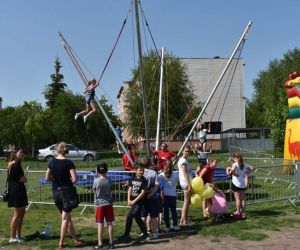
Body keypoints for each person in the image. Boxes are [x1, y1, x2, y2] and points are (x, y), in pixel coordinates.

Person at [45, 142, 82, 249]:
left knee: (67, 217)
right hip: (67, 192)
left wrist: (55, 180)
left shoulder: (51, 162)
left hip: (56, 192)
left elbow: (47, 178)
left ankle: (75, 238)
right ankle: (61, 243)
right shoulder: (69, 162)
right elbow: (75, 179)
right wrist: (69, 181)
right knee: (65, 218)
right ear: (65, 150)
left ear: (57, 150)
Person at [118, 164, 148, 241]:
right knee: (137, 217)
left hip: (139, 202)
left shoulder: (144, 180)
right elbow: (130, 189)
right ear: (135, 171)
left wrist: (134, 201)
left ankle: (126, 234)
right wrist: (128, 200)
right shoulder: (132, 179)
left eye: (143, 170)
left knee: (129, 216)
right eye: (140, 170)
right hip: (132, 201)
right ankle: (145, 233)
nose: (142, 172)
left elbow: (143, 193)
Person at [7, 147, 28, 243]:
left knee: (22, 213)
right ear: (15, 153)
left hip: (17, 191)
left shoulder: (14, 164)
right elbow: (23, 179)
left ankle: (18, 234)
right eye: (20, 152)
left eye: (22, 152)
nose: (22, 154)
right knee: (17, 214)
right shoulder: (15, 165)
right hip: (17, 191)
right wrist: (24, 179)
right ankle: (12, 237)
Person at [93, 161, 115, 249]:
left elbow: (94, 190)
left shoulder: (96, 180)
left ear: (97, 170)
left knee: (100, 225)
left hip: (99, 204)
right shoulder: (109, 180)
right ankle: (111, 243)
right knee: (110, 223)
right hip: (108, 203)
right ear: (107, 170)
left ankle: (100, 243)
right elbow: (112, 190)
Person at [226, 153, 252, 220]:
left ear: (235, 158)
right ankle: (243, 212)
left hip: (236, 183)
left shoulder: (235, 164)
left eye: (234, 157)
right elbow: (252, 167)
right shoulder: (245, 164)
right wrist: (247, 172)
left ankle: (238, 212)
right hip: (243, 183)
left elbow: (232, 169)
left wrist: (230, 171)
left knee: (237, 199)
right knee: (243, 199)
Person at [140, 158, 160, 239]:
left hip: (142, 197)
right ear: (149, 164)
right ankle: (155, 233)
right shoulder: (154, 173)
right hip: (152, 197)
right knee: (154, 216)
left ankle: (143, 232)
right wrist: (151, 193)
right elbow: (157, 185)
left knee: (143, 216)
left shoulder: (140, 172)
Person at [158, 160, 180, 232]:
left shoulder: (160, 175)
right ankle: (175, 225)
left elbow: (159, 185)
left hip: (164, 195)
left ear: (164, 166)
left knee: (166, 211)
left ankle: (167, 226)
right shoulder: (176, 174)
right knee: (173, 211)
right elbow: (178, 183)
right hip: (173, 195)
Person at [177, 145, 193, 225]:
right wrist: (189, 185)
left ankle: (183, 220)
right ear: (182, 152)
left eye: (188, 151)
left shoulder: (185, 160)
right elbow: (185, 173)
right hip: (185, 182)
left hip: (186, 182)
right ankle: (184, 220)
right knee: (186, 202)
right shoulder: (183, 161)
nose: (187, 153)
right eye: (186, 151)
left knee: (187, 202)